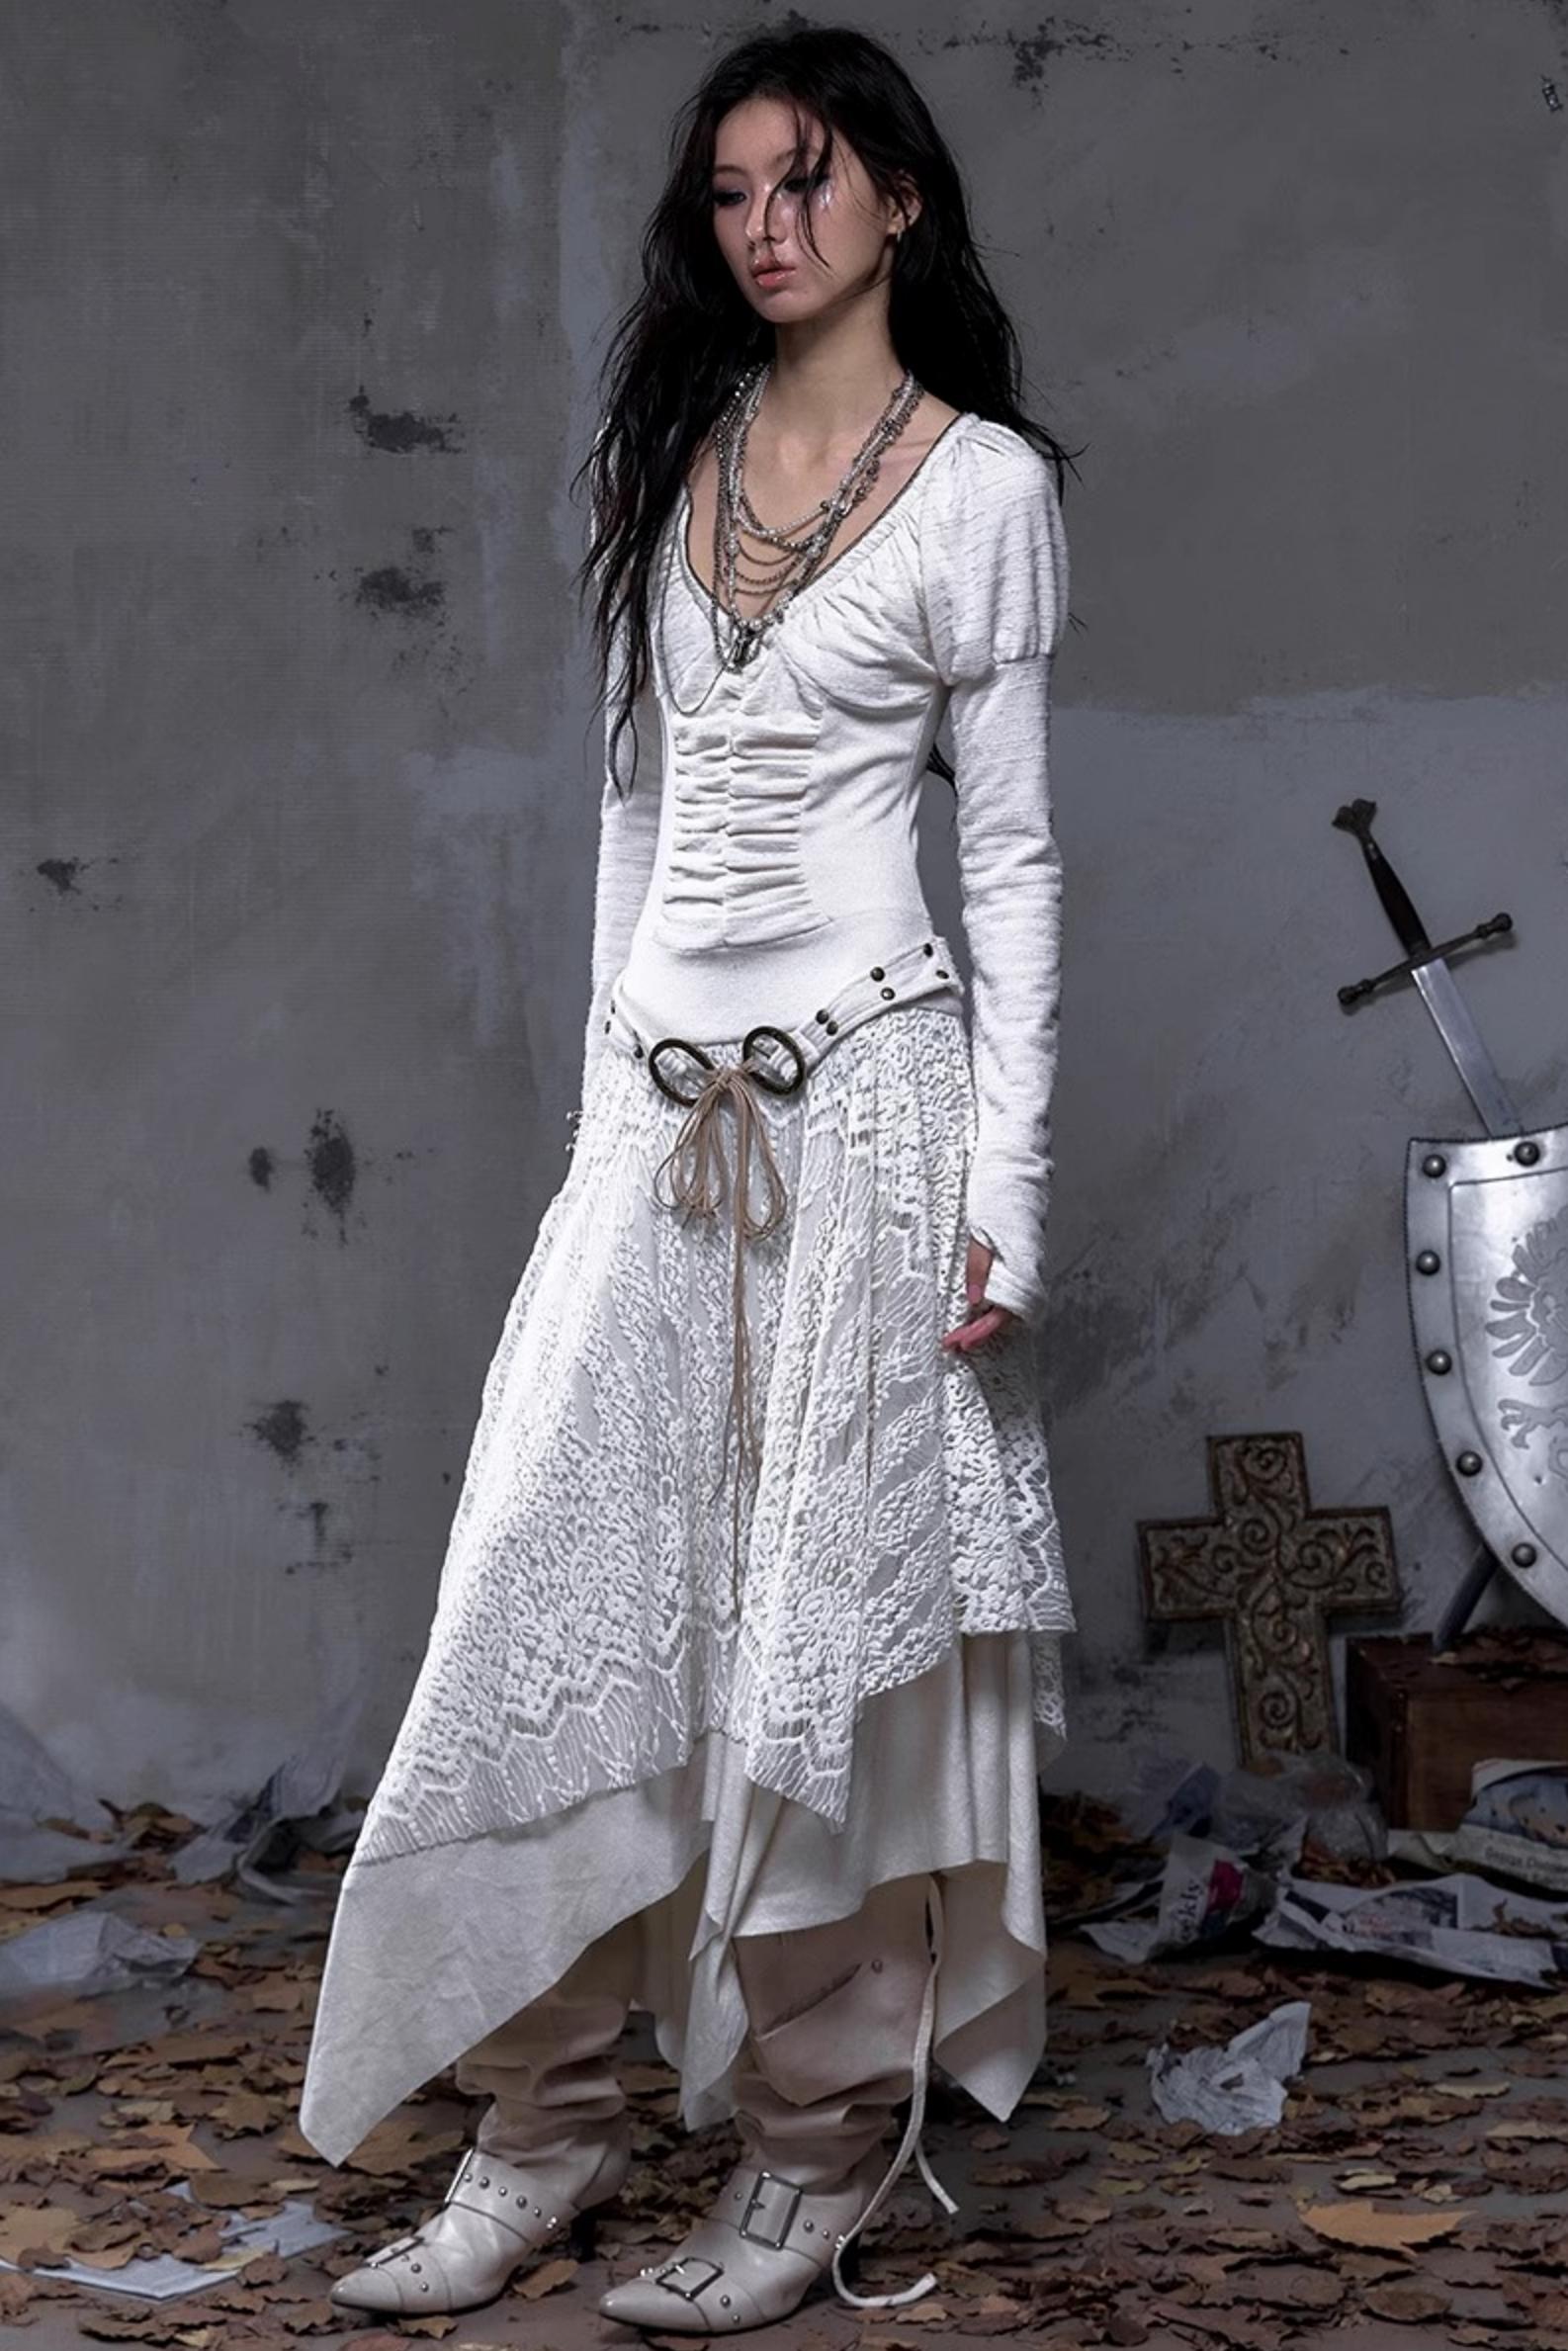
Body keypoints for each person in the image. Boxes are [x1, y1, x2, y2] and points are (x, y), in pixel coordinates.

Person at [300, 21, 1078, 2334]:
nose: (763, 225)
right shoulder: (679, 456)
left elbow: (1015, 866)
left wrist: (1010, 1194)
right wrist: (597, 1130)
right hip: (659, 1122)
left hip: (874, 1113)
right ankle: (538, 2132)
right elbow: (629, 817)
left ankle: (810, 2159)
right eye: (730, 190)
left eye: (805, 180)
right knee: (545, 1613)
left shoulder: (983, 489)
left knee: (813, 1645)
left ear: (899, 200)